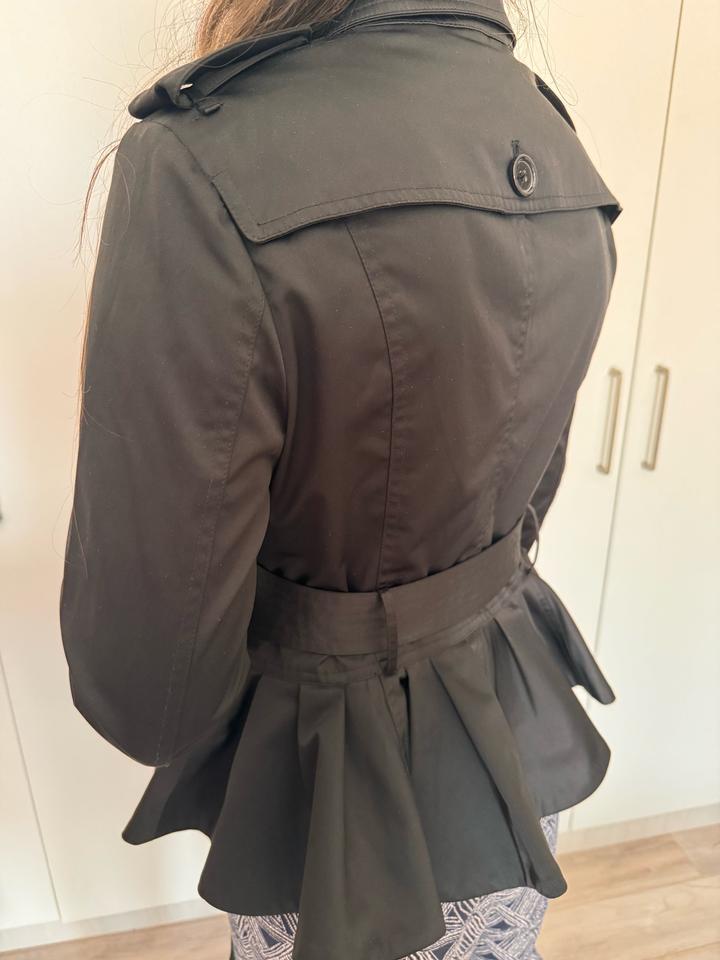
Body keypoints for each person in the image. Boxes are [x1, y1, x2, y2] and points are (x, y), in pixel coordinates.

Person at [58, 0, 622, 958]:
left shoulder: (199, 162)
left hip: (328, 786)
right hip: (508, 741)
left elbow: (150, 690)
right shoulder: (549, 133)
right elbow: (527, 497)